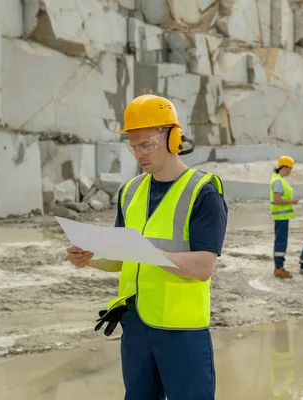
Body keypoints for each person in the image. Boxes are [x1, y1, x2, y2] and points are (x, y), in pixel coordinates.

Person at [65, 94, 228, 400]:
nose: (138, 154)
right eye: (133, 145)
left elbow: (204, 268)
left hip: (181, 329)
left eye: (147, 144)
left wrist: (148, 252)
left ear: (174, 138)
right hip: (136, 325)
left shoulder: (203, 192)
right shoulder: (130, 191)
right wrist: (89, 258)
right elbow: (122, 257)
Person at [270, 156, 299, 279]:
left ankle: (279, 266)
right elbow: (277, 200)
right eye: (290, 169)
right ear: (284, 167)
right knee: (281, 242)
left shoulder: (279, 179)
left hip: (282, 216)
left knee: (281, 241)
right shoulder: (278, 181)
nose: (290, 172)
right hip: (281, 216)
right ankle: (279, 267)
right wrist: (291, 201)